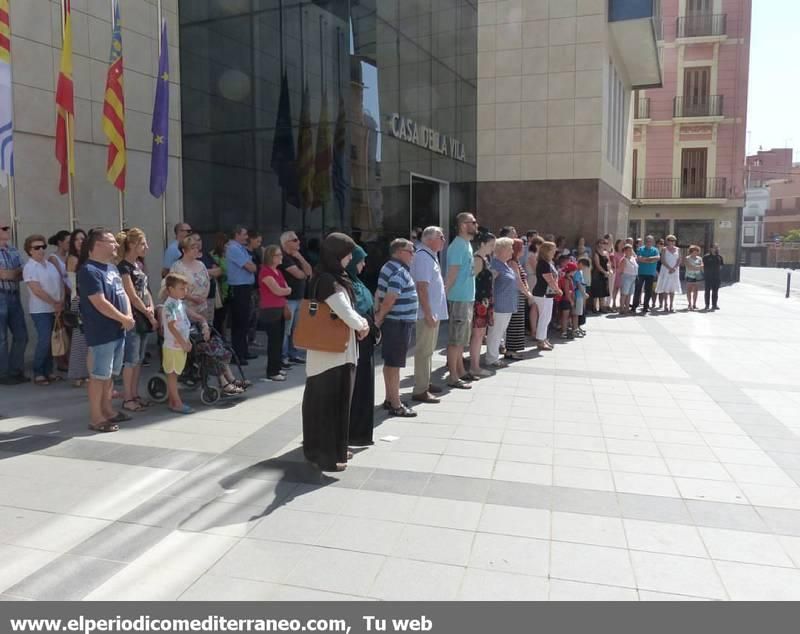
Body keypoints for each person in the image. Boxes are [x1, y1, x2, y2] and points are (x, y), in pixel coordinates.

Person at [302, 233, 369, 472]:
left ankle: (328, 450)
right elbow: (344, 311)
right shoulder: (330, 281)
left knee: (326, 406)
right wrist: (363, 325)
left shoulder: (329, 276)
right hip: (331, 357)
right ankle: (327, 456)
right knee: (330, 407)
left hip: (331, 354)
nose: (350, 258)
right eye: (347, 253)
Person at [78, 228, 134, 433]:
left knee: (110, 375)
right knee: (99, 375)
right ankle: (96, 417)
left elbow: (123, 294)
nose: (116, 245)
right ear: (98, 244)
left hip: (118, 330)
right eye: (112, 241)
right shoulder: (88, 271)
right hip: (101, 332)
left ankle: (108, 410)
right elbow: (99, 302)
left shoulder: (111, 268)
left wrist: (127, 316)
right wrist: (123, 319)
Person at [374, 238, 418, 417]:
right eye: (410, 251)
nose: (413, 254)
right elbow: (391, 297)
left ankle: (390, 398)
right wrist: (379, 318)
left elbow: (380, 294)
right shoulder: (398, 270)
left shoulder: (391, 267)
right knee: (394, 365)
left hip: (397, 322)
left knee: (391, 363)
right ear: (399, 252)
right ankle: (396, 404)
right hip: (397, 322)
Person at [117, 228, 158, 412]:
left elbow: (146, 290)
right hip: (133, 317)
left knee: (139, 359)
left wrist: (152, 308)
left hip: (143, 316)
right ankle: (128, 397)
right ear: (132, 245)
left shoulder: (137, 266)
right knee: (131, 360)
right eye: (142, 243)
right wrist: (148, 312)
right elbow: (132, 295)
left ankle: (135, 394)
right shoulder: (123, 267)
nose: (146, 247)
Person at [410, 226, 448, 404]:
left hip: (432, 311)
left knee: (428, 350)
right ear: (429, 239)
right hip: (427, 313)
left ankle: (425, 382)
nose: (443, 240)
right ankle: (420, 389)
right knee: (424, 351)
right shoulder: (423, 257)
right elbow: (422, 287)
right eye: (441, 237)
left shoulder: (429, 255)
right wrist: (428, 313)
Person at [347, 245, 379, 445]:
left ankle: (361, 432)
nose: (364, 265)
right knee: (357, 387)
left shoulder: (357, 282)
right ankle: (354, 433)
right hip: (357, 341)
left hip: (366, 340)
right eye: (360, 261)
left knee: (365, 385)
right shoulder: (346, 283)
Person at [22, 234, 64, 385]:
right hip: (40, 310)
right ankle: (38, 372)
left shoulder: (50, 265)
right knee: (44, 340)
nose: (41, 250)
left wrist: (60, 301)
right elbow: (36, 289)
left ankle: (49, 371)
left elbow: (59, 283)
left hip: (55, 308)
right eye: (36, 247)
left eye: (43, 247)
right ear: (29, 250)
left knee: (52, 342)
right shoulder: (30, 267)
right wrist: (54, 302)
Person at [163, 273, 204, 415]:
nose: (184, 292)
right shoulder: (170, 305)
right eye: (181, 289)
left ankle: (172, 401)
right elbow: (172, 326)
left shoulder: (178, 303)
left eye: (185, 289)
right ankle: (177, 403)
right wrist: (183, 343)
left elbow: (186, 317)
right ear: (170, 289)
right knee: (172, 375)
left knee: (175, 374)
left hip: (179, 346)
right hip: (173, 346)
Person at [445, 212, 478, 389]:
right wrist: (444, 294)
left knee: (462, 339)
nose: (476, 225)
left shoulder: (466, 244)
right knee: (456, 340)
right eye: (473, 222)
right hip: (458, 298)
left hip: (466, 297)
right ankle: (453, 376)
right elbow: (452, 273)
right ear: (463, 225)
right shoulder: (457, 246)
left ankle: (461, 371)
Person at [0, 223, 28, 385]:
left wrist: (11, 274)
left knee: (21, 336)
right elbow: (3, 274)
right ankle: (3, 374)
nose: (8, 230)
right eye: (3, 228)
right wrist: (13, 272)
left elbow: (23, 273)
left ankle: (15, 371)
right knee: (2, 339)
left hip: (14, 296)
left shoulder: (13, 250)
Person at [279, 230, 313, 365]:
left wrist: (299, 257)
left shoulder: (296, 256)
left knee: (296, 328)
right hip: (289, 299)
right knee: (286, 330)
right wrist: (304, 271)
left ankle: (294, 353)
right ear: (286, 243)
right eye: (295, 240)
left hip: (299, 297)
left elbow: (309, 271)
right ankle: (283, 356)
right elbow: (300, 275)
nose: (298, 242)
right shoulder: (284, 258)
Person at [486, 237, 521, 367]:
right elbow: (491, 283)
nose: (512, 251)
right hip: (499, 304)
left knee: (500, 332)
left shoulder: (505, 264)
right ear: (501, 250)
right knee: (495, 332)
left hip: (507, 304)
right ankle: (491, 358)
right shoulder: (495, 264)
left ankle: (494, 355)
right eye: (510, 248)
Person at [225, 225, 257, 364]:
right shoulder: (233, 248)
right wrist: (252, 267)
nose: (246, 237)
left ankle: (243, 351)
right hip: (238, 288)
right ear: (237, 235)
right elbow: (251, 267)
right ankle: (237, 355)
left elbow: (253, 266)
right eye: (244, 234)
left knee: (244, 322)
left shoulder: (240, 248)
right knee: (239, 322)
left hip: (245, 287)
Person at [258, 244, 290, 382]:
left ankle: (276, 367)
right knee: (274, 342)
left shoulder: (278, 272)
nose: (281, 257)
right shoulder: (265, 272)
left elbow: (286, 288)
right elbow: (279, 290)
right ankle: (272, 371)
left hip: (280, 308)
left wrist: (286, 290)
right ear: (271, 257)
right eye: (278, 255)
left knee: (279, 340)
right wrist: (287, 290)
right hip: (270, 310)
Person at [468, 232, 496, 378]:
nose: (493, 248)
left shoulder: (485, 258)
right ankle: (474, 366)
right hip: (480, 301)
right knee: (478, 334)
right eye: (491, 245)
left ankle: (475, 365)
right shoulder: (478, 259)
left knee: (480, 335)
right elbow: (473, 281)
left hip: (484, 301)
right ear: (483, 244)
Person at [66, 229, 89, 387]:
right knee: (79, 338)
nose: (80, 241)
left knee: (88, 339)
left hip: (88, 299)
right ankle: (77, 374)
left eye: (83, 238)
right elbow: (74, 282)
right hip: (78, 299)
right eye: (77, 239)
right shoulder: (74, 259)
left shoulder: (88, 257)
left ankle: (87, 372)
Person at [171, 235, 212, 322]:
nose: (196, 250)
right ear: (184, 250)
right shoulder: (177, 267)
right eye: (192, 248)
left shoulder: (201, 265)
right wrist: (193, 298)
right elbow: (175, 287)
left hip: (203, 306)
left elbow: (207, 281)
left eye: (197, 248)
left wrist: (203, 298)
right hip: (186, 308)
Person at [505, 238, 532, 360]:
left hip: (519, 296)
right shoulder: (512, 263)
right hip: (515, 296)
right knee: (514, 323)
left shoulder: (517, 262)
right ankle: (511, 350)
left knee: (518, 323)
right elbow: (518, 281)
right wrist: (528, 294)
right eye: (522, 247)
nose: (524, 250)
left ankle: (513, 349)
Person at [531, 241, 562, 350]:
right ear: (547, 251)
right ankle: (540, 340)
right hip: (542, 293)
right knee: (544, 317)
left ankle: (543, 338)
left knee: (547, 317)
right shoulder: (543, 263)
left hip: (547, 294)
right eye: (553, 250)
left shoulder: (548, 262)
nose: (555, 252)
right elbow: (549, 279)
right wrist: (558, 289)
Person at [631, 235, 660, 314]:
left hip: (650, 273)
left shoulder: (655, 250)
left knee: (648, 291)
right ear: (645, 241)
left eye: (650, 241)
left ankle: (645, 307)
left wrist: (645, 259)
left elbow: (657, 258)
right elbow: (639, 258)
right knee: (638, 290)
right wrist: (650, 260)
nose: (649, 243)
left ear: (652, 242)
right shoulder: (641, 249)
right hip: (641, 273)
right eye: (647, 241)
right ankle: (634, 306)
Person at [210, 233, 230, 338]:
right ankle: (218, 338)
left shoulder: (228, 255)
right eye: (226, 244)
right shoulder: (213, 256)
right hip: (219, 290)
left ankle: (223, 338)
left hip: (228, 290)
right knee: (218, 318)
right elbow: (221, 271)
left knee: (224, 317)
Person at [655, 235, 681, 312]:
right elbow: (662, 260)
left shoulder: (678, 249)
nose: (672, 242)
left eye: (673, 240)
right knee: (666, 288)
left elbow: (679, 259)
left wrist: (675, 267)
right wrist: (669, 268)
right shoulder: (664, 249)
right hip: (666, 269)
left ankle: (671, 305)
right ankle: (665, 304)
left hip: (675, 270)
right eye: (670, 240)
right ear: (667, 241)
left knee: (672, 289)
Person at [558, 261, 578, 338]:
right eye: (574, 271)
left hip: (567, 300)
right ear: (571, 271)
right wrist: (571, 301)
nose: (575, 272)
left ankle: (572, 331)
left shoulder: (569, 278)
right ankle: (564, 332)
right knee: (565, 317)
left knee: (571, 315)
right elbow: (566, 291)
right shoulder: (566, 279)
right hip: (566, 300)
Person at [591, 238, 611, 313]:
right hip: (597, 274)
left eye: (605, 243)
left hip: (605, 274)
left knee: (603, 291)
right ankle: (594, 307)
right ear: (599, 244)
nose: (604, 244)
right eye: (602, 243)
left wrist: (609, 270)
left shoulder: (606, 253)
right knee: (596, 291)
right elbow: (598, 265)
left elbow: (608, 263)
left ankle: (602, 307)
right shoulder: (596, 253)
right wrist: (605, 272)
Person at [619, 245, 638, 315]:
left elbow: (636, 258)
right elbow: (620, 270)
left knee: (629, 294)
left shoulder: (633, 258)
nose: (630, 251)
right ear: (625, 251)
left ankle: (627, 308)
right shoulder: (624, 259)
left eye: (631, 250)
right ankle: (621, 308)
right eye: (628, 250)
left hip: (633, 277)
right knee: (624, 293)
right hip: (626, 277)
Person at [703, 244, 724, 310]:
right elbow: (704, 266)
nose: (716, 249)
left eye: (717, 247)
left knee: (715, 291)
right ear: (711, 248)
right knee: (707, 291)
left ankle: (714, 305)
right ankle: (707, 305)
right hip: (708, 277)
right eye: (714, 247)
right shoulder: (706, 257)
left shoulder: (720, 257)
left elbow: (721, 266)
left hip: (716, 277)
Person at [685, 245, 704, 311]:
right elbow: (689, 267)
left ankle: (694, 304)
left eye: (697, 251)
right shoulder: (687, 258)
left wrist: (695, 267)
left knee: (696, 290)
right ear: (691, 251)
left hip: (697, 276)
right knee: (689, 290)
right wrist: (697, 267)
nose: (696, 252)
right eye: (694, 251)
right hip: (689, 276)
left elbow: (702, 266)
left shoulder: (699, 258)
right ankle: (689, 304)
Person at [574, 258, 589, 334]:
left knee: (580, 312)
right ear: (580, 264)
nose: (584, 268)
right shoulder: (577, 273)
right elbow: (578, 284)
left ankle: (578, 327)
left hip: (581, 295)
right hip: (578, 295)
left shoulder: (580, 272)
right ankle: (575, 328)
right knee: (577, 313)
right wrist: (583, 293)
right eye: (583, 266)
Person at [609, 239, 625, 311]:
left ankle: (621, 305)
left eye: (623, 244)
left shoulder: (625, 254)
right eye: (621, 244)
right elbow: (613, 265)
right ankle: (614, 304)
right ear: (617, 244)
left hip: (624, 274)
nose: (622, 245)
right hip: (617, 273)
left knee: (623, 290)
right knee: (615, 289)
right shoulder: (614, 254)